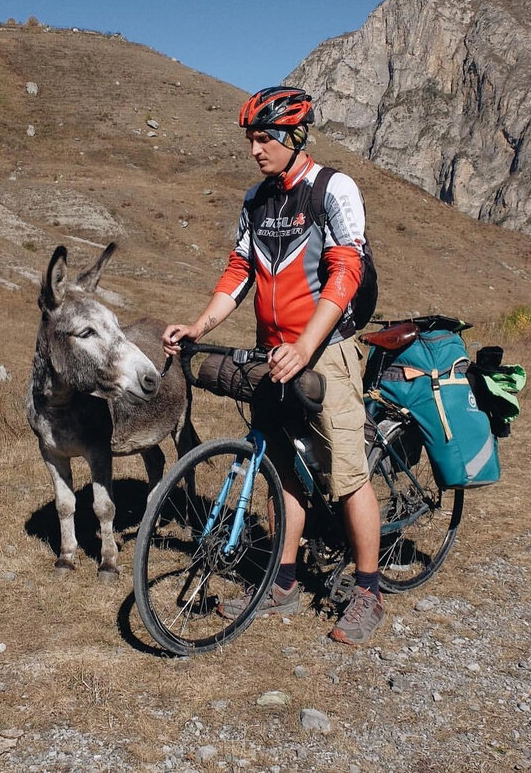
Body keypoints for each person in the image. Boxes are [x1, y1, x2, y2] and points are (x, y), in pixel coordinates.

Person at [162, 86, 384, 645]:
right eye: (251, 139)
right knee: (277, 462)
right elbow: (239, 270)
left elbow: (345, 272)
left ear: (293, 137)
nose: (255, 149)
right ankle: (282, 582)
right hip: (271, 352)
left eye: (265, 138)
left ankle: (368, 592)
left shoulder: (334, 189)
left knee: (346, 472)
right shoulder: (256, 200)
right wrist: (198, 327)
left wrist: (308, 345)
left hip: (324, 349)